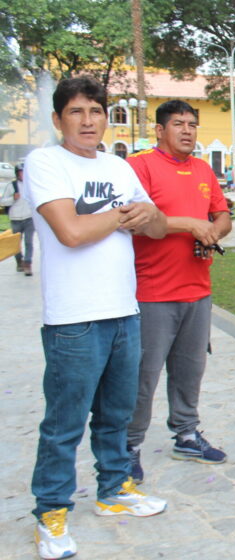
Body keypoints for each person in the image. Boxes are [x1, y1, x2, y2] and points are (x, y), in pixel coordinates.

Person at [24, 76, 169, 560]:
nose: (88, 121)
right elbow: (70, 231)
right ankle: (51, 512)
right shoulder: (45, 162)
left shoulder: (118, 166)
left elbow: (156, 225)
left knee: (116, 415)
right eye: (76, 112)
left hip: (124, 310)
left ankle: (113, 489)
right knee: (63, 424)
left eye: (96, 111)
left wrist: (141, 215)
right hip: (74, 319)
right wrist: (125, 214)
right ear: (58, 118)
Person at [124, 99, 233, 484]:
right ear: (159, 130)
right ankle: (128, 446)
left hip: (197, 288)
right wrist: (189, 224)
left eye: (192, 125)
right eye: (178, 124)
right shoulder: (139, 166)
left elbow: (222, 215)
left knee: (190, 368)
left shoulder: (203, 169)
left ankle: (186, 434)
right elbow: (136, 219)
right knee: (143, 374)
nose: (187, 131)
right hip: (152, 290)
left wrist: (212, 232)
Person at [7, 165, 34, 276]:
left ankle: (27, 264)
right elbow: (3, 201)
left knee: (28, 241)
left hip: (29, 217)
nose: (22, 175)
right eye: (20, 173)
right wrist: (13, 198)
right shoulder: (12, 185)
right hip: (15, 218)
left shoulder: (31, 185)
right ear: (17, 174)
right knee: (16, 243)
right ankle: (19, 261)